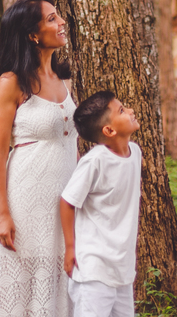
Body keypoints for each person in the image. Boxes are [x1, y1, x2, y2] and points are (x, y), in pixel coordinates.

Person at [0, 0, 79, 317]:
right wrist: (3, 214)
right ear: (32, 34)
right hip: (24, 199)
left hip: (62, 198)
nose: (61, 22)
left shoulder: (63, 77)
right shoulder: (11, 83)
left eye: (58, 16)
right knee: (21, 276)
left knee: (58, 271)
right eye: (51, 18)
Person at [59, 91, 142, 317]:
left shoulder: (135, 153)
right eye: (122, 111)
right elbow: (67, 201)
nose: (131, 111)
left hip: (122, 268)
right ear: (109, 130)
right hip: (93, 268)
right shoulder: (94, 161)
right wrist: (70, 248)